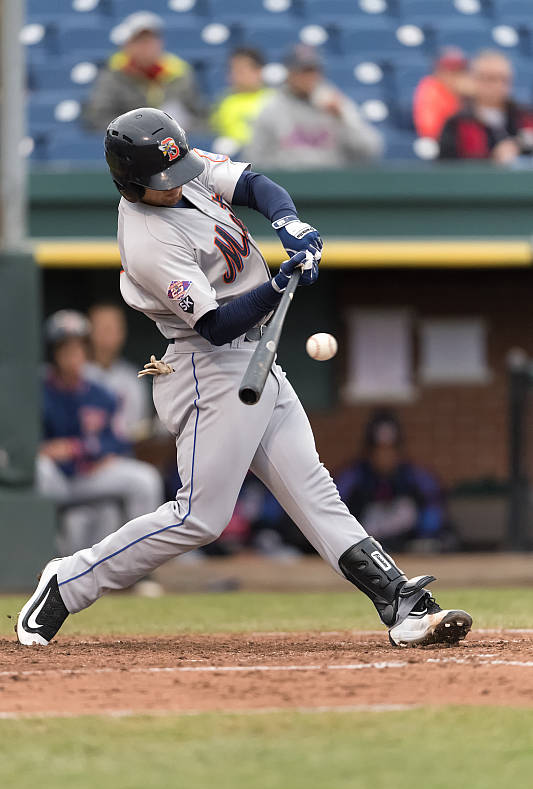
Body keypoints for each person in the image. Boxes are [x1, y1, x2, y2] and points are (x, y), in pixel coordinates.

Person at [17, 107, 471, 649]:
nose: (177, 181)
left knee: (314, 491)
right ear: (131, 183)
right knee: (198, 518)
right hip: (209, 368)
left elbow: (254, 184)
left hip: (257, 355)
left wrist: (289, 224)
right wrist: (277, 285)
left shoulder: (178, 168)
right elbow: (214, 325)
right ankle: (67, 582)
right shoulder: (147, 240)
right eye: (163, 179)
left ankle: (401, 603)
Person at [36, 310, 164, 554]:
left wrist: (84, 449)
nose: (73, 354)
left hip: (89, 474)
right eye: (65, 348)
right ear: (53, 353)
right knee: (40, 468)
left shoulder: (101, 393)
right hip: (56, 477)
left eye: (78, 347)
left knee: (145, 480)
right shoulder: (38, 389)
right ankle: (38, 555)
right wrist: (43, 449)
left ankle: (141, 560)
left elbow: (118, 441)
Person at [244, 45, 383, 168]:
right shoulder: (272, 107)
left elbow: (371, 149)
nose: (310, 77)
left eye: (314, 70)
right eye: (304, 71)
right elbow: (254, 158)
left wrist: (342, 119)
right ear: (290, 73)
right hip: (287, 185)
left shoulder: (335, 102)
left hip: (332, 183)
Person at [336, 410, 448, 553]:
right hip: (363, 550)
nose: (385, 456)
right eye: (379, 450)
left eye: (390, 449)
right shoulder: (353, 477)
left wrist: (425, 536)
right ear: (369, 451)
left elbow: (434, 506)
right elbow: (336, 510)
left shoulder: (415, 476)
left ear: (399, 451)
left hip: (408, 550)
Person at [83, 11, 206, 133]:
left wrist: (181, 129)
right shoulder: (112, 76)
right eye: (139, 41)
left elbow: (200, 117)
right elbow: (98, 118)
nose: (146, 47)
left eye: (151, 40)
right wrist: (136, 130)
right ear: (127, 45)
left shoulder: (180, 74)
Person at [439, 50, 533, 162]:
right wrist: (492, 158)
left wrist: (518, 145)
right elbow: (447, 166)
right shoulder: (457, 124)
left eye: (504, 79)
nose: (498, 85)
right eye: (490, 79)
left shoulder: (526, 117)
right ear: (475, 80)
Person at [85, 302, 152, 442]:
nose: (107, 334)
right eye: (102, 327)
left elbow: (140, 430)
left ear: (122, 332)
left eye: (112, 328)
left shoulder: (133, 378)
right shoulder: (76, 374)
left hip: (124, 449)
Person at [210, 47, 273, 150]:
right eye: (231, 70)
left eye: (240, 71)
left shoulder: (274, 100)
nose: (234, 76)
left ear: (258, 71)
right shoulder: (222, 102)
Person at [413, 47, 471, 140]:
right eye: (449, 70)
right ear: (438, 71)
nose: (453, 76)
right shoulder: (431, 89)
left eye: (459, 71)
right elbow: (430, 130)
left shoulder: (470, 92)